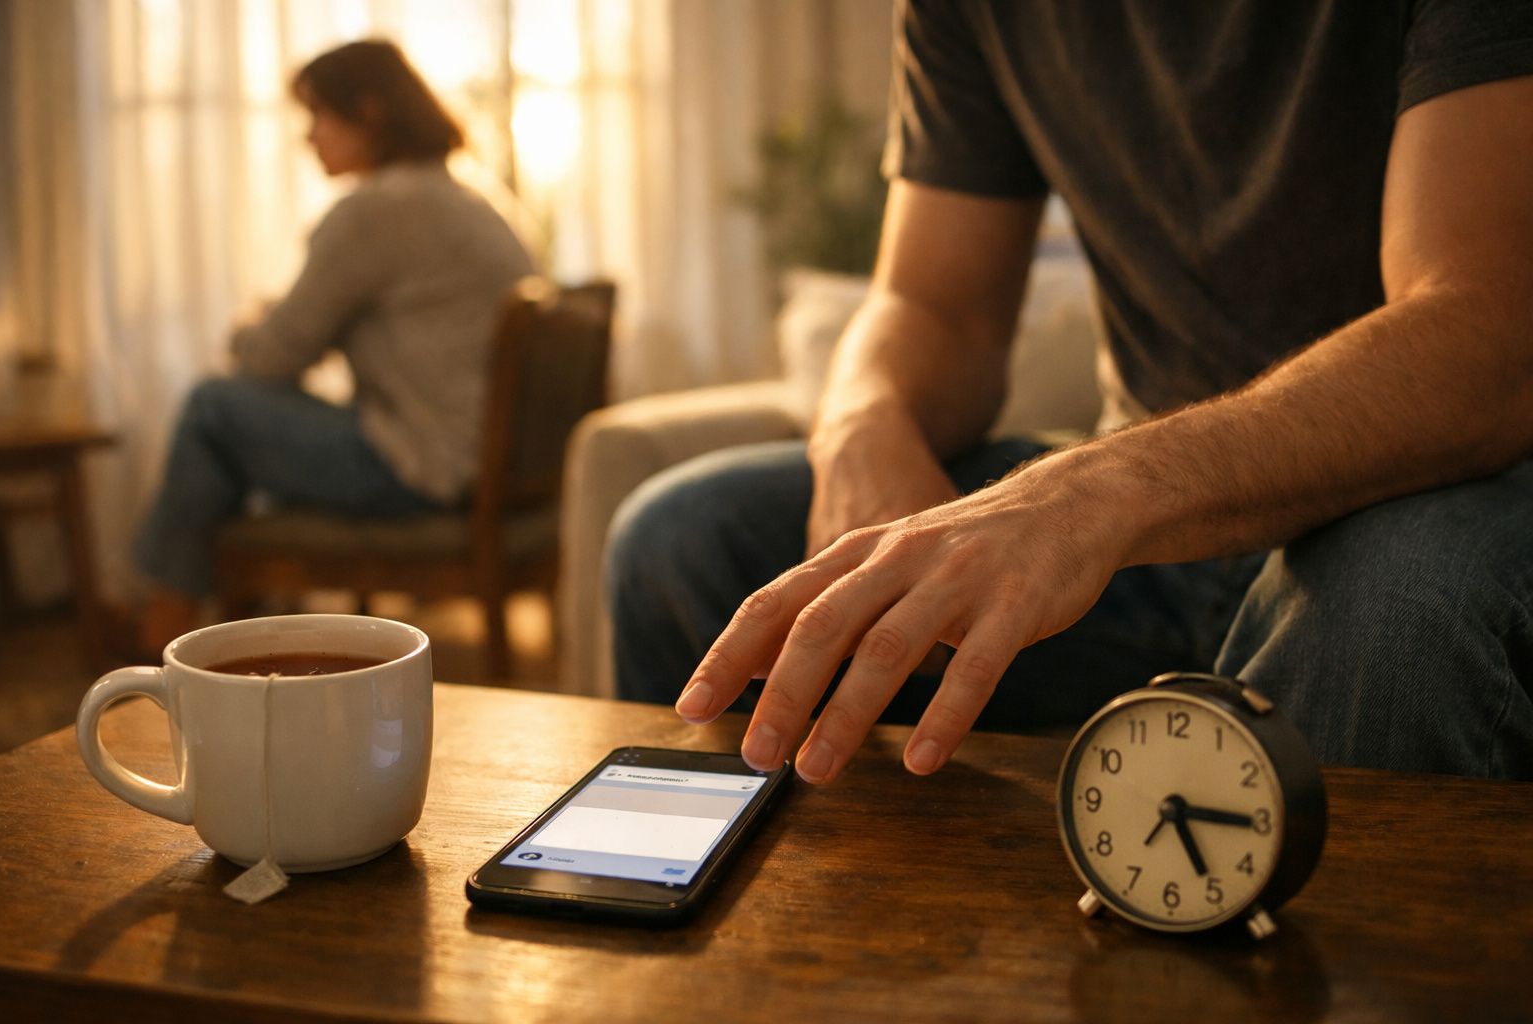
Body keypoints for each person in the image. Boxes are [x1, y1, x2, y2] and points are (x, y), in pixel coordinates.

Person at [608, 1, 1533, 782]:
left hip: (1434, 493)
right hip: (1147, 553)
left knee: (1394, 607)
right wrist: (860, 427)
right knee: (685, 540)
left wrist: (1085, 494)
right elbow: (932, 306)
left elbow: (1485, 334)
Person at [132, 39, 535, 651]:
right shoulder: (472, 198)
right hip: (483, 461)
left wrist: (247, 323)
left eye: (318, 115)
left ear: (369, 112)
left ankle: (169, 635)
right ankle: (215, 633)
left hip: (421, 467)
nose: (308, 136)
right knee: (225, 431)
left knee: (214, 407)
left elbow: (271, 358)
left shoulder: (376, 211)